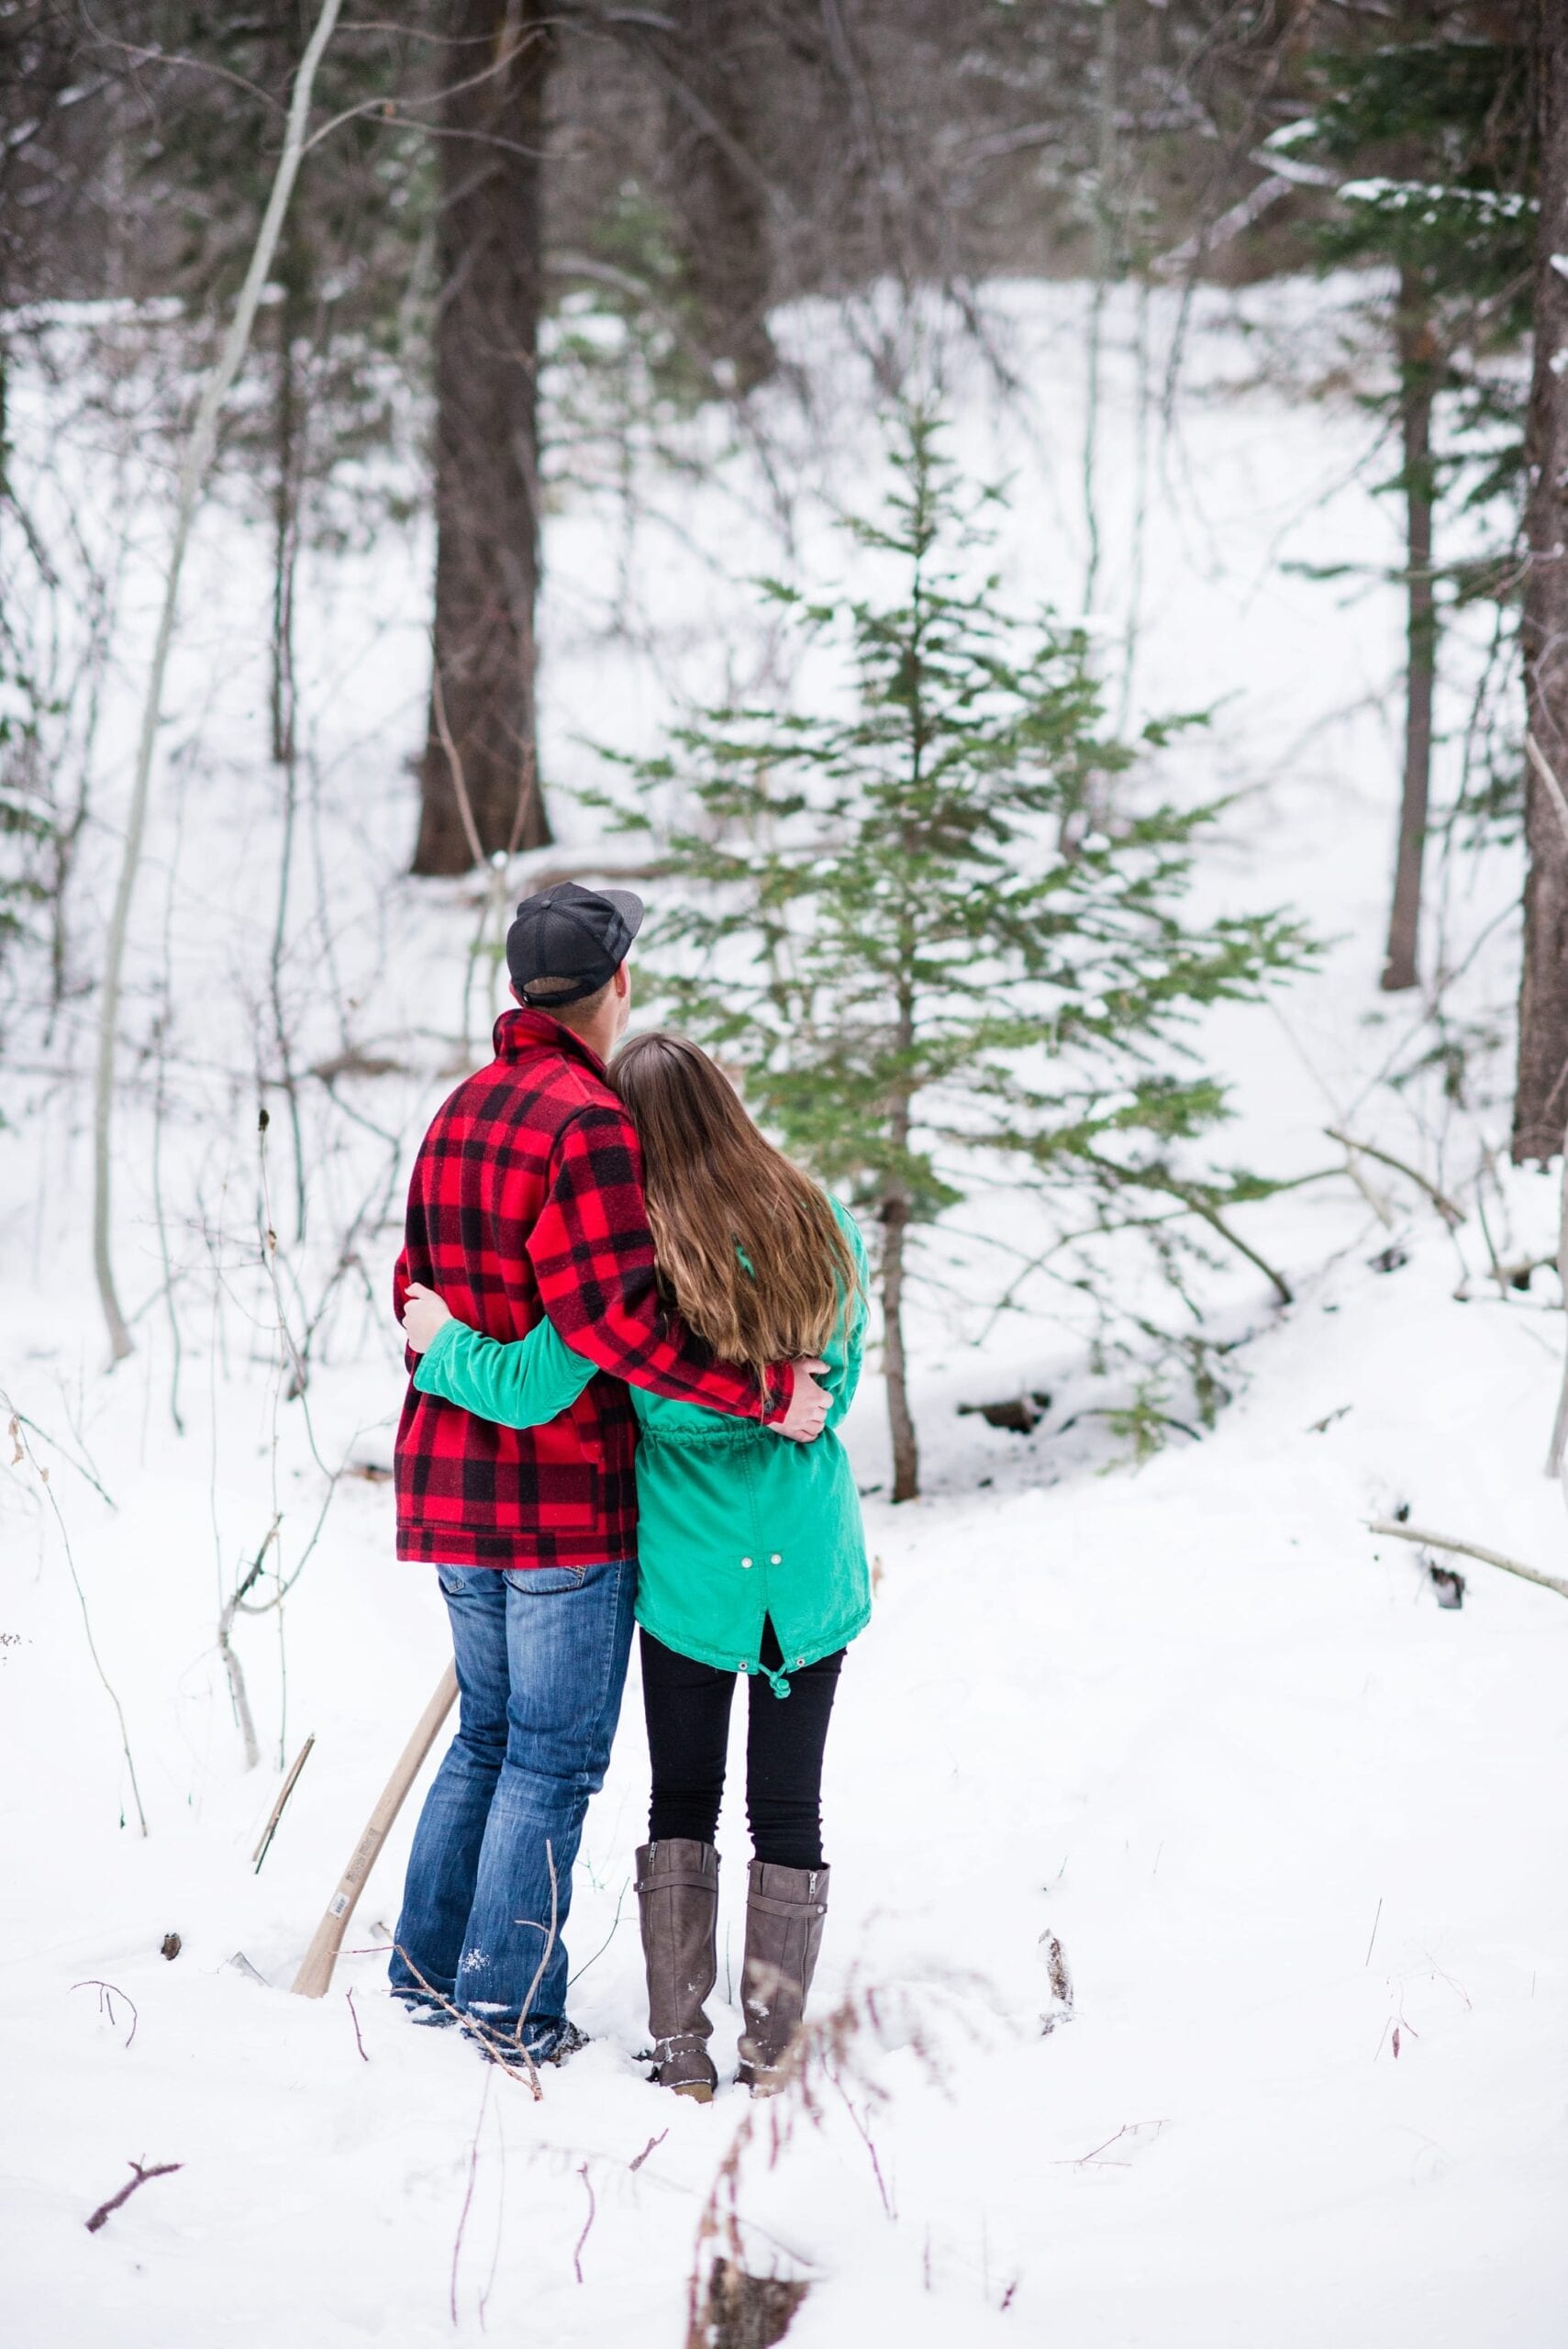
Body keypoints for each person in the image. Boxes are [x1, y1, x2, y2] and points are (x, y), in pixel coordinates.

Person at [389, 883, 829, 2066]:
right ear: (616, 984)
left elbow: (410, 1285)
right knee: (550, 1756)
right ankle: (506, 2006)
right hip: (557, 1501)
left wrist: (441, 1348)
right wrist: (763, 1393)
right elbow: (610, 1331)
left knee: (487, 1734)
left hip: (450, 1487)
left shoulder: (460, 1104)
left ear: (522, 990)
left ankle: (426, 1974)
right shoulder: (588, 1123)